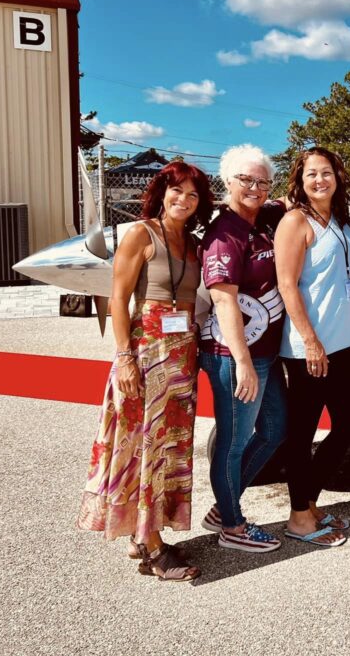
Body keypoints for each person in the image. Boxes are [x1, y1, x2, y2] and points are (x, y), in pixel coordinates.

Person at [78, 161, 213, 580]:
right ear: (162, 192)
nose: (184, 201)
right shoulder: (142, 233)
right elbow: (118, 298)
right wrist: (123, 358)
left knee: (168, 449)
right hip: (146, 350)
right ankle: (153, 547)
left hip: (181, 356)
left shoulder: (192, 243)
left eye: (193, 195)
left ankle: (144, 533)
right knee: (141, 448)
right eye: (177, 192)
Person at [198, 145, 287, 553]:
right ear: (227, 182)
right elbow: (223, 300)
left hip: (264, 353)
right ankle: (232, 526)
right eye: (245, 180)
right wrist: (243, 364)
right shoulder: (224, 234)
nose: (254, 188)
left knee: (274, 430)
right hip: (235, 356)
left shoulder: (263, 222)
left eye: (262, 181)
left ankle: (224, 504)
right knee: (235, 440)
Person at [275, 147, 350, 547]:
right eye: (311, 174)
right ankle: (299, 517)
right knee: (303, 432)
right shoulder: (296, 221)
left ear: (337, 175)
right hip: (309, 348)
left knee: (348, 426)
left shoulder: (344, 221)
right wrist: (311, 341)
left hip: (343, 344)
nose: (319, 180)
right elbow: (287, 284)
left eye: (325, 172)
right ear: (300, 179)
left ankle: (307, 502)